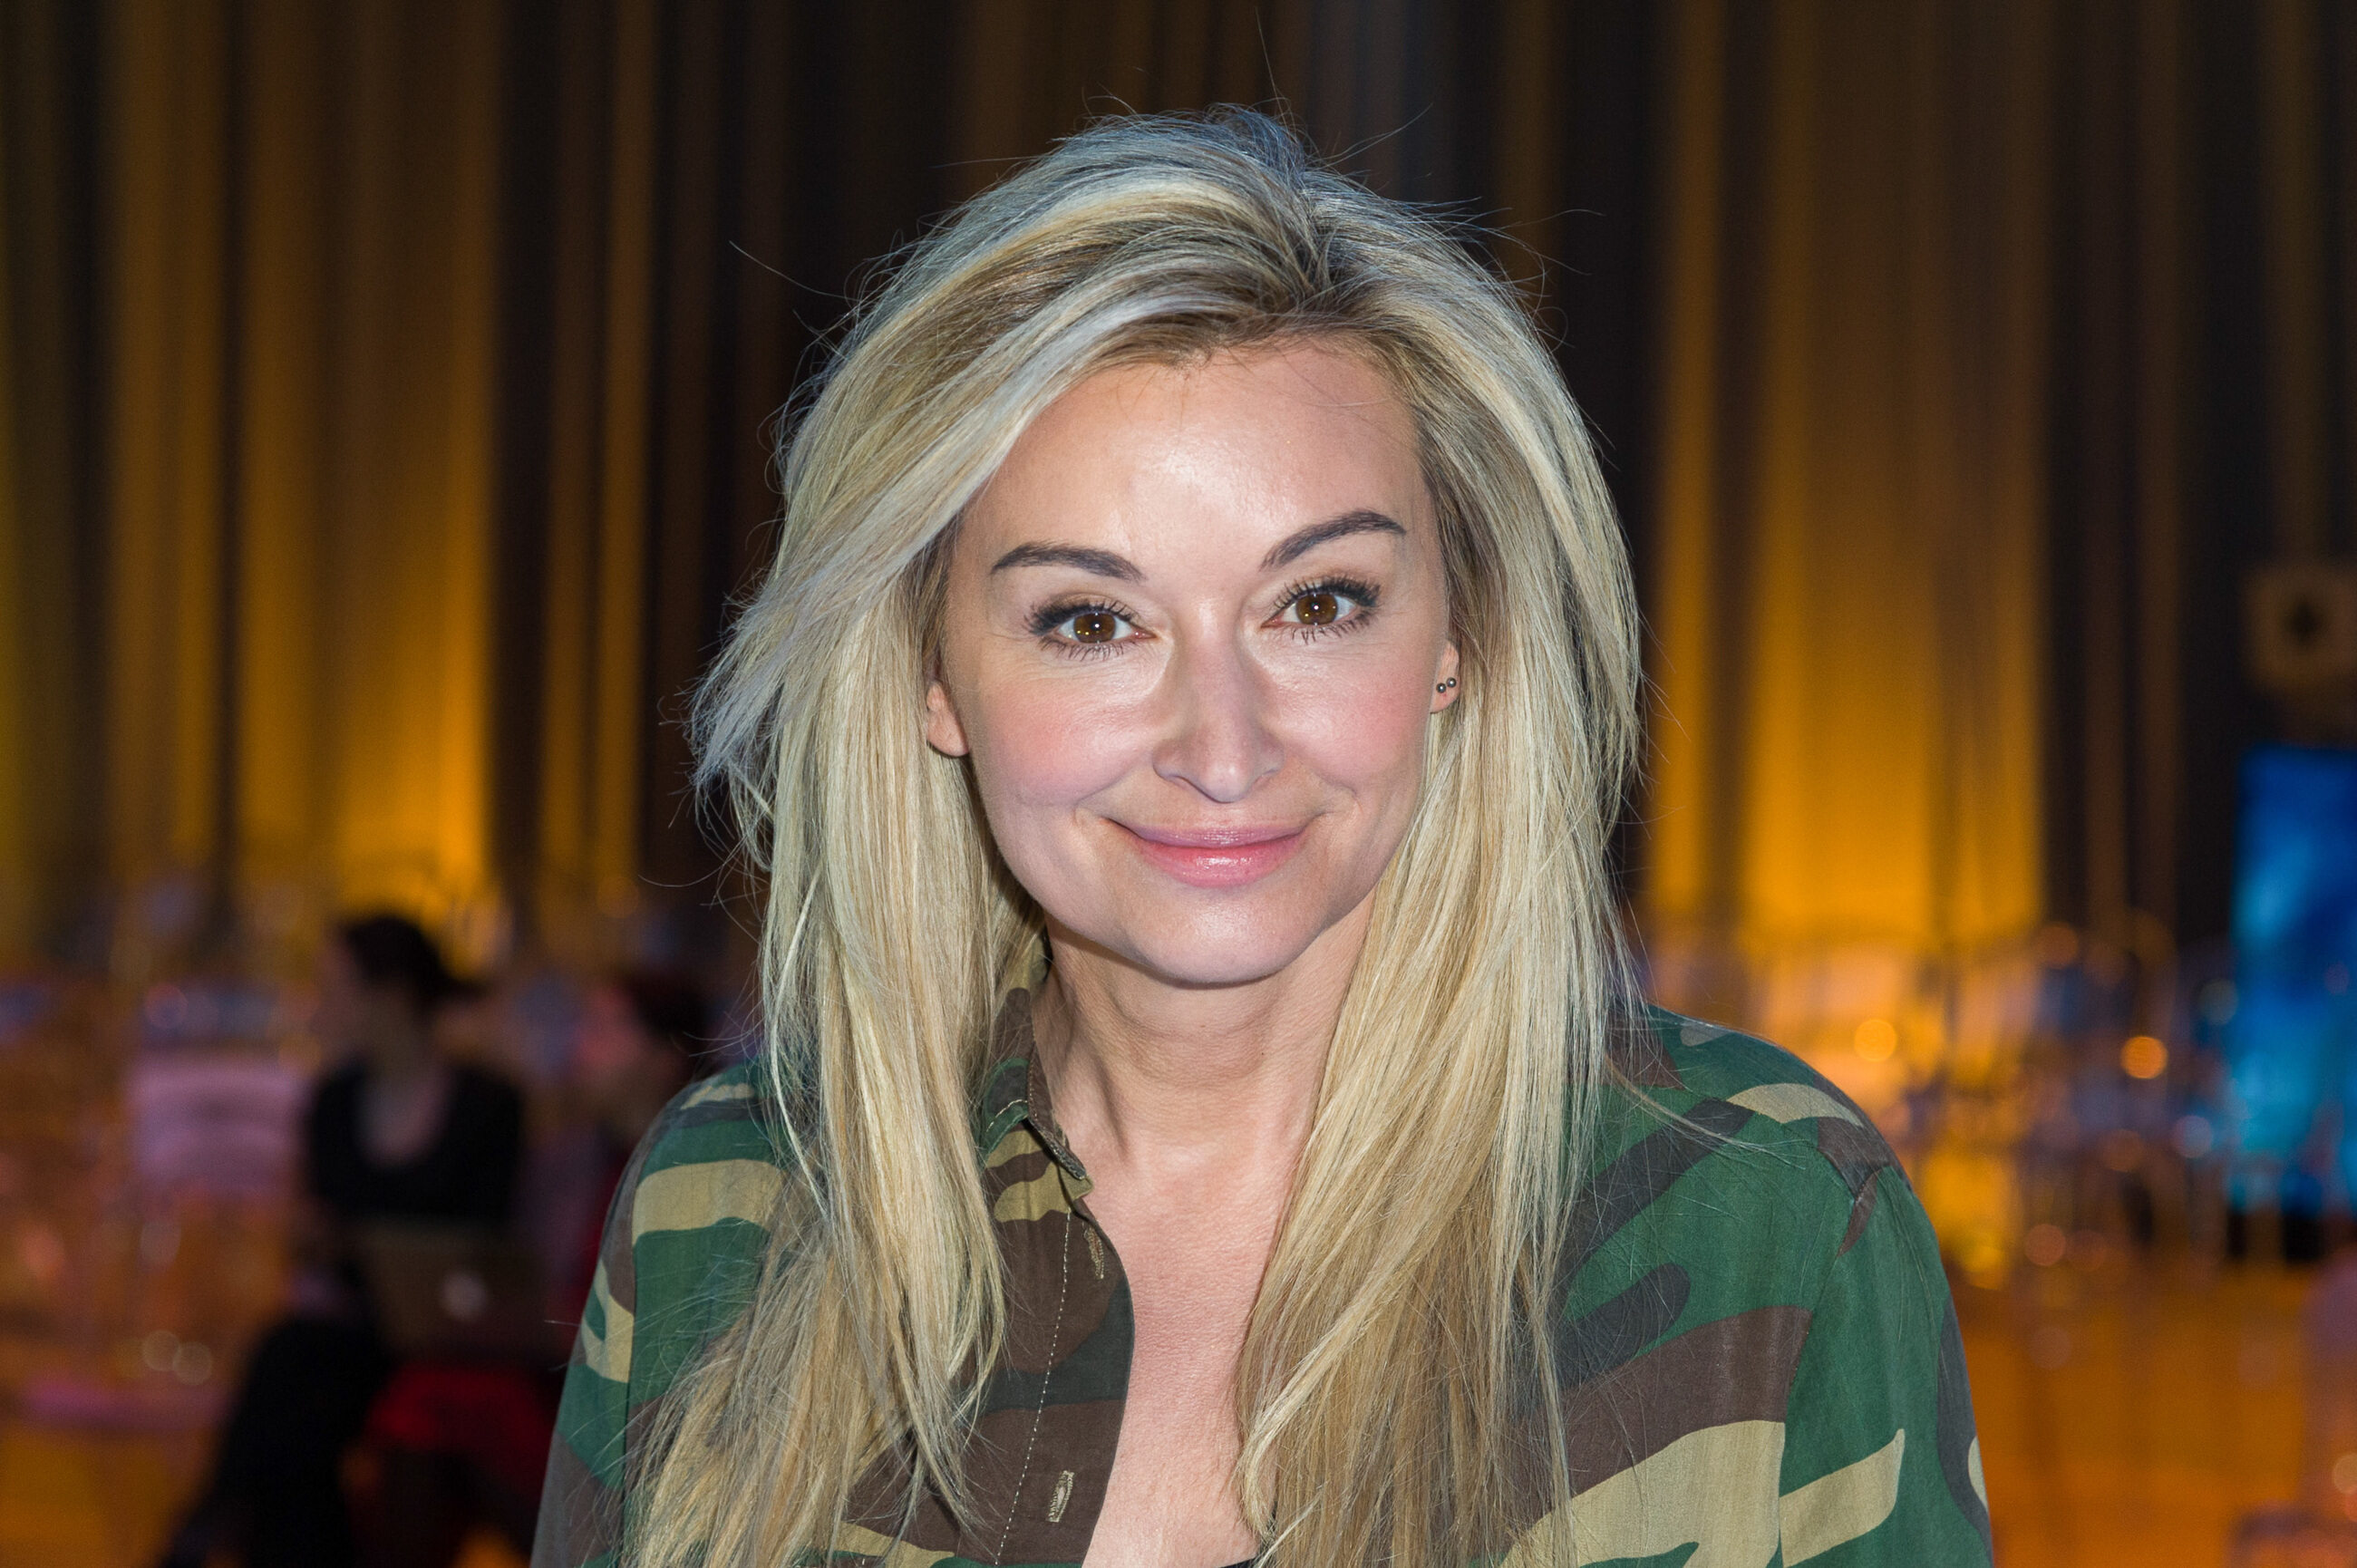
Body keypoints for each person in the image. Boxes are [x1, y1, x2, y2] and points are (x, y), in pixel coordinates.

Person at [534, 111, 1992, 1568]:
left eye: (1318, 602)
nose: (1222, 749)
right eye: (1091, 621)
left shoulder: (1769, 1209)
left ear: (1457, 636)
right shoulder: (728, 1206)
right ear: (933, 675)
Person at [160, 915, 524, 1568]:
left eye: (335, 987)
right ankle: (227, 1526)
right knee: (294, 1399)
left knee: (289, 1374)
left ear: (392, 997)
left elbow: (488, 1244)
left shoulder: (488, 1105)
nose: (320, 1004)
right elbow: (320, 1235)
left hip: (446, 1331)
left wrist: (360, 1246)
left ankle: (207, 1523)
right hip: (353, 1325)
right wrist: (319, 1241)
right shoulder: (334, 1099)